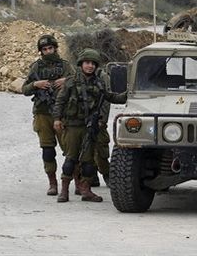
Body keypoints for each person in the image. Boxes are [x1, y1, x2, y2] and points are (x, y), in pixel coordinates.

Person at [52, 48, 127, 203]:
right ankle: (64, 190)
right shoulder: (71, 81)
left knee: (88, 162)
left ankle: (86, 190)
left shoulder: (99, 83)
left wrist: (128, 95)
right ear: (81, 64)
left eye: (93, 63)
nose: (90, 66)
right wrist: (57, 119)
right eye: (87, 63)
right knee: (71, 159)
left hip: (89, 127)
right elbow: (60, 101)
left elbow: (110, 97)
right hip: (73, 126)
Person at [22, 34, 75, 196]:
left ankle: (78, 182)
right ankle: (52, 183)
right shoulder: (36, 68)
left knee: (71, 149)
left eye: (50, 48)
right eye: (44, 49)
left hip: (62, 114)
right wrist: (36, 84)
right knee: (47, 150)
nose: (48, 51)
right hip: (42, 113)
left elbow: (79, 82)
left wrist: (66, 80)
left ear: (55, 48)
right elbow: (24, 89)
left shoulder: (65, 66)